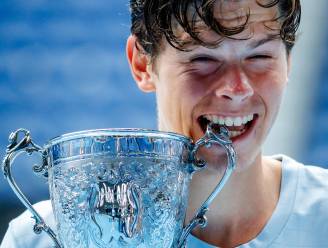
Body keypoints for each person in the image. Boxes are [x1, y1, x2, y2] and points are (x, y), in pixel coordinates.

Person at [2, 0, 328, 247]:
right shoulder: (38, 237)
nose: (237, 88)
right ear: (142, 63)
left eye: (260, 57)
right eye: (203, 59)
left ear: (288, 63)